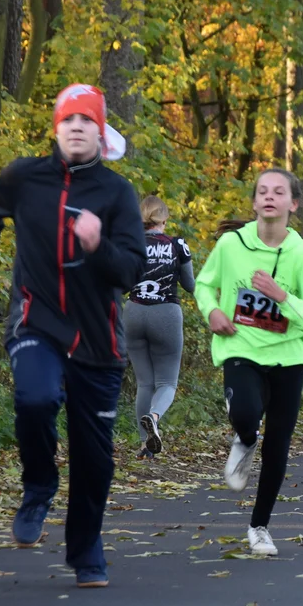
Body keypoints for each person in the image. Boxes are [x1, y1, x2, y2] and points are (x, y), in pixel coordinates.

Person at [0, 84, 146, 588]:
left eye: (88, 121)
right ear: (56, 129)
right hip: (36, 320)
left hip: (98, 340)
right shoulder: (26, 176)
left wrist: (97, 244)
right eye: (70, 120)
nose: (78, 128)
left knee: (94, 456)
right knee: (36, 398)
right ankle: (39, 485)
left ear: (101, 132)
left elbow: (131, 271)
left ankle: (86, 552)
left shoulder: (116, 193)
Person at [194, 168, 303, 556]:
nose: (270, 197)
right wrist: (212, 312)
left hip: (288, 358)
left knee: (279, 446)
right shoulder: (232, 245)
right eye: (263, 191)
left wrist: (281, 295)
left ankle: (259, 526)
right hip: (242, 347)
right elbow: (204, 284)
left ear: (293, 204)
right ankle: (245, 437)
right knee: (246, 414)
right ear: (254, 202)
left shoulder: (300, 254)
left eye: (279, 191)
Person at [125, 196, 195, 459]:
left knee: (144, 383)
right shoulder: (177, 245)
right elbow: (190, 285)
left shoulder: (129, 244)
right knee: (167, 382)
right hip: (166, 312)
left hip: (133, 312)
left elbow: (120, 285)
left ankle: (145, 446)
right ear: (164, 220)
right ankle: (154, 417)